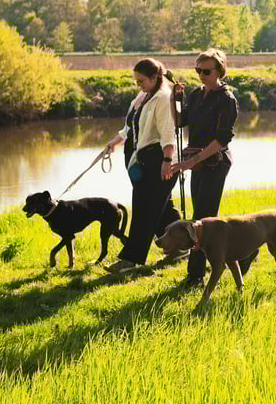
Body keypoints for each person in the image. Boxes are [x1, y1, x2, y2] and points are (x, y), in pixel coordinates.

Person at [169, 49, 251, 289]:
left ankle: (195, 275)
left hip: (215, 163)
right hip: (197, 161)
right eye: (198, 70)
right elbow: (180, 122)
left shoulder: (227, 100)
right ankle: (243, 254)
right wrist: (175, 100)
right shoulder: (195, 94)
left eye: (206, 71)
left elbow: (222, 139)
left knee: (202, 220)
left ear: (220, 71)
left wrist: (190, 162)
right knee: (202, 216)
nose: (201, 75)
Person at [105, 58, 180, 273]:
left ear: (155, 77)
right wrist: (115, 142)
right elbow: (131, 127)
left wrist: (167, 161)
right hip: (141, 159)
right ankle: (181, 247)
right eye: (136, 81)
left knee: (143, 209)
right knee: (161, 207)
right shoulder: (143, 96)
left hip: (158, 159)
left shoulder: (163, 98)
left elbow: (168, 133)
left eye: (141, 81)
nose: (138, 85)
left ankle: (131, 259)